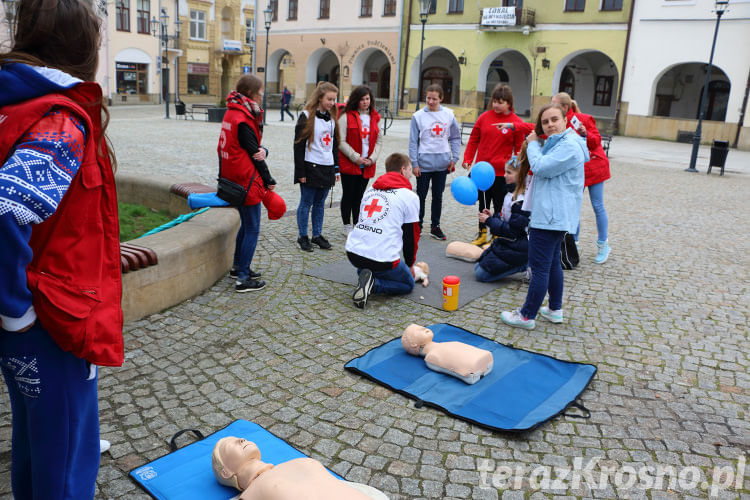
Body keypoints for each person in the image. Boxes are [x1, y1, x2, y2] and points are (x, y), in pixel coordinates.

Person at [0, 0, 123, 498]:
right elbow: (7, 210)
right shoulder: (59, 120)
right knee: (69, 450)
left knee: (36, 439)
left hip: (31, 313)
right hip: (52, 318)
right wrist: (17, 313)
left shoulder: (13, 105)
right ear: (82, 48)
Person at [501, 103, 588, 330]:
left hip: (550, 215)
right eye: (545, 121)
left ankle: (527, 315)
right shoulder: (563, 142)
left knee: (539, 266)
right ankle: (554, 309)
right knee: (551, 264)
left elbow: (539, 167)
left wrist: (531, 145)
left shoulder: (568, 146)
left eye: (554, 119)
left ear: (565, 120)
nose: (550, 125)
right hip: (554, 214)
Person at [219, 74, 277, 292]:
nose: (262, 96)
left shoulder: (233, 112)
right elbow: (255, 154)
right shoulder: (244, 118)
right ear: (252, 93)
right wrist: (269, 180)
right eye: (261, 92)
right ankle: (243, 278)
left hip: (234, 177)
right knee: (252, 228)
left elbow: (248, 148)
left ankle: (238, 267)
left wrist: (263, 151)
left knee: (246, 225)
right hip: (246, 180)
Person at [345, 153, 421, 309]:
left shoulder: (370, 191)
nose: (411, 174)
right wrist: (410, 264)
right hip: (383, 260)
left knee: (371, 260)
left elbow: (361, 222)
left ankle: (365, 276)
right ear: (403, 169)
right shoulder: (410, 196)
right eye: (409, 170)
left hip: (354, 253)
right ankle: (374, 284)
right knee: (408, 285)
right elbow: (411, 235)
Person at [211, 437, 386, 500]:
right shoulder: (251, 494)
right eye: (230, 445)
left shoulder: (292, 464)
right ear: (226, 472)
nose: (241, 439)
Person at [462, 84, 527, 245]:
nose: (496, 105)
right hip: (482, 172)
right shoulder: (484, 117)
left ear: (509, 103)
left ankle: (496, 235)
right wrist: (468, 158)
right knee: (483, 204)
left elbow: (519, 149)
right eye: (495, 101)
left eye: (501, 102)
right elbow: (474, 139)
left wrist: (515, 169)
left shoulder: (515, 122)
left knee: (500, 207)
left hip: (501, 174)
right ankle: (482, 233)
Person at [551, 92, 611, 264]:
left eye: (554, 104)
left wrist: (585, 133)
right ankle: (573, 244)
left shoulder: (582, 118)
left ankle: (603, 244)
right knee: (573, 205)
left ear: (564, 107)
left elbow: (596, 141)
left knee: (598, 205)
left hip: (595, 166)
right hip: (577, 170)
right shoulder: (557, 121)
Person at [408, 84, 461, 240]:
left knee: (438, 196)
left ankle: (435, 226)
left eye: (434, 99)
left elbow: (455, 138)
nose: (430, 102)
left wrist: (455, 158)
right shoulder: (417, 116)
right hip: (423, 164)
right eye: (428, 98)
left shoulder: (449, 115)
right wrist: (415, 163)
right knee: (421, 195)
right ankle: (417, 225)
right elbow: (413, 142)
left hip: (442, 164)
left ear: (441, 99)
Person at [474, 144, 532, 282]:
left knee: (481, 275)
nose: (504, 175)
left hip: (519, 245)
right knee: (478, 267)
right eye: (505, 172)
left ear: (520, 175)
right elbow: (507, 220)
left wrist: (488, 221)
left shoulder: (521, 201)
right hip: (510, 243)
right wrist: (493, 215)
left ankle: (524, 265)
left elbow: (513, 231)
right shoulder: (510, 193)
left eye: (509, 173)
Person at [294, 82, 340, 252]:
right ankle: (302, 236)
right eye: (329, 99)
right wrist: (300, 172)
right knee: (306, 202)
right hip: (310, 166)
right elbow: (298, 146)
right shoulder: (306, 116)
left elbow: (334, 145)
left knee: (320, 203)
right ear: (320, 98)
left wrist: (336, 168)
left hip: (326, 167)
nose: (332, 103)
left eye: (334, 99)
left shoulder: (332, 119)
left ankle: (317, 235)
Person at [337, 85, 383, 234]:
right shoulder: (346, 116)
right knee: (348, 195)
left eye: (368, 98)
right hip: (351, 163)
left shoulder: (374, 117)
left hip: (367, 164)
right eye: (362, 99)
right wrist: (355, 157)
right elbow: (341, 141)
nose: (365, 102)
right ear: (356, 100)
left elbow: (379, 141)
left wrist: (372, 158)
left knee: (360, 196)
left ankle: (357, 223)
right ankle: (346, 225)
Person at [401, 324, 493, 385]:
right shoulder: (431, 357)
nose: (424, 328)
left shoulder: (444, 346)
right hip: (471, 367)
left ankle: (479, 361)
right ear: (413, 344)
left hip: (478, 359)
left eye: (422, 327)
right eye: (418, 330)